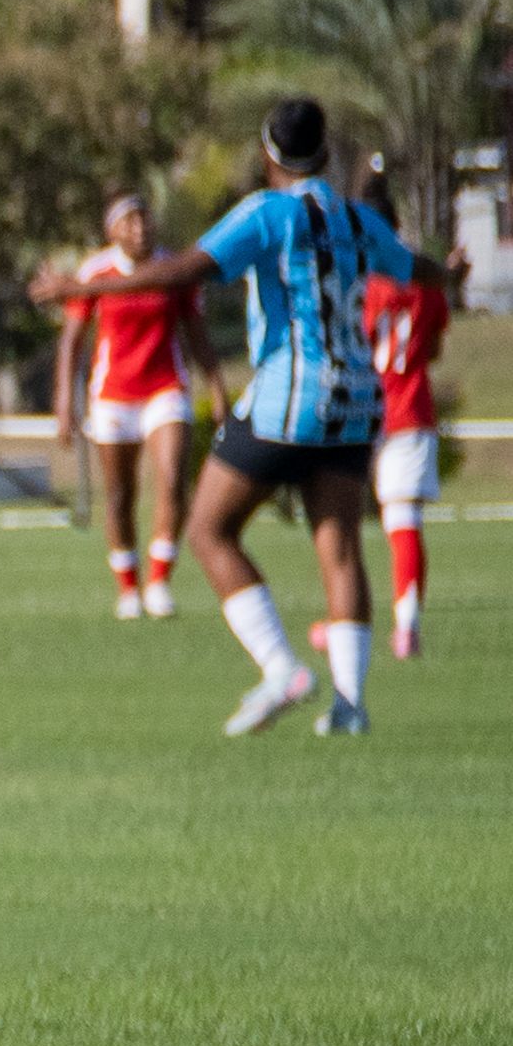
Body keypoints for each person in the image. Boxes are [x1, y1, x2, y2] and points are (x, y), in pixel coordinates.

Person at [29, 96, 413, 737]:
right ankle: (350, 706)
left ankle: (281, 668)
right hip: (354, 403)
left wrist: (82, 288)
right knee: (340, 548)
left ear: (269, 155)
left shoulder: (268, 212)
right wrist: (448, 271)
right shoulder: (353, 216)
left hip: (289, 397)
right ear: (323, 153)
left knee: (208, 528)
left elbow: (184, 271)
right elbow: (412, 267)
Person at [54, 194, 193, 619]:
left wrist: (219, 390)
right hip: (113, 393)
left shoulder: (173, 268)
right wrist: (64, 397)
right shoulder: (95, 271)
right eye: (129, 223)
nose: (139, 229)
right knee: (119, 495)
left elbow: (197, 331)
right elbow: (73, 339)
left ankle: (159, 583)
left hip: (164, 386)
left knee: (171, 480)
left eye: (145, 221)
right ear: (111, 230)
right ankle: (128, 589)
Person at [357, 175, 452, 657]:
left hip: (357, 411)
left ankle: (343, 622)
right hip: (410, 409)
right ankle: (405, 626)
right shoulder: (426, 284)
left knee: (337, 518)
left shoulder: (357, 282)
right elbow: (431, 349)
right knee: (403, 521)